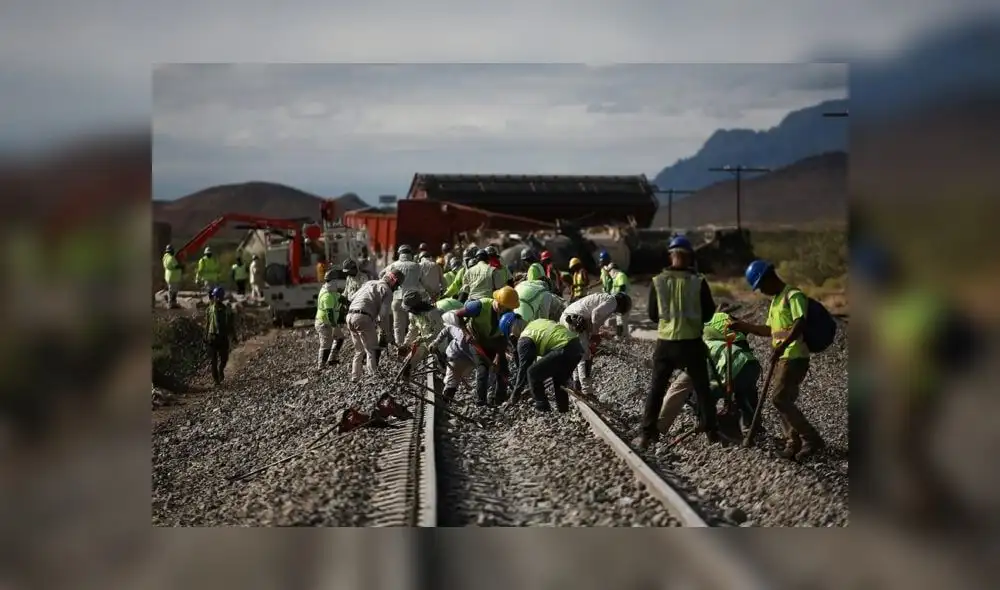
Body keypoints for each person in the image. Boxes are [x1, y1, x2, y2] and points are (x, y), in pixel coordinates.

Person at [634, 236, 730, 450]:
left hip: (666, 343)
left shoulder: (658, 281)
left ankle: (647, 435)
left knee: (657, 389)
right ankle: (711, 432)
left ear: (671, 255)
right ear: (689, 257)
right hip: (691, 343)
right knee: (702, 388)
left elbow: (652, 315)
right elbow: (707, 315)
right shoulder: (698, 282)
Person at [729, 260, 826, 460]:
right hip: (783, 357)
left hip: (795, 356)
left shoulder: (793, 295)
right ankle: (793, 443)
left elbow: (800, 322)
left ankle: (812, 439)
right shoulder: (776, 301)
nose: (762, 291)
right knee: (782, 400)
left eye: (761, 286)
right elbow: (770, 330)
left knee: (779, 399)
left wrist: (782, 345)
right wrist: (743, 326)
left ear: (769, 277)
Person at [656, 310, 762, 440]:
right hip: (744, 359)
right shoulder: (721, 321)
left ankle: (709, 427)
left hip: (716, 359)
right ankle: (752, 426)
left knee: (688, 390)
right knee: (744, 392)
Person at [453, 286, 520, 406]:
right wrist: (466, 333)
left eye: (508, 308)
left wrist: (498, 358)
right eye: (504, 307)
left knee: (503, 369)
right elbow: (458, 315)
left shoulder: (508, 314)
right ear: (499, 302)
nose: (505, 310)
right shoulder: (479, 306)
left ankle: (499, 399)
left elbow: (503, 338)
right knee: (483, 369)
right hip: (477, 341)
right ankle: (481, 403)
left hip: (495, 342)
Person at [505, 314, 585, 413]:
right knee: (559, 380)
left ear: (511, 331)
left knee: (532, 373)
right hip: (576, 347)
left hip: (564, 348)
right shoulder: (537, 322)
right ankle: (563, 411)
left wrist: (514, 395)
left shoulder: (525, 338)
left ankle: (542, 408)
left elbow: (524, 369)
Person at [561, 292, 632, 397]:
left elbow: (590, 318)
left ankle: (577, 384)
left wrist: (594, 335)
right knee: (585, 357)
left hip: (567, 318)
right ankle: (587, 391)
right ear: (622, 305)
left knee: (577, 354)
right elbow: (596, 314)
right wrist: (594, 334)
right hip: (574, 320)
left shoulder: (603, 298)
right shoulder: (612, 302)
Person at [346, 270, 402, 383]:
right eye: (397, 285)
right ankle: (373, 378)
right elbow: (383, 316)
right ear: (393, 282)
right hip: (363, 317)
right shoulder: (387, 291)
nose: (396, 288)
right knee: (371, 350)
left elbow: (351, 298)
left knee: (359, 350)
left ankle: (355, 377)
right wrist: (387, 334)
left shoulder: (369, 283)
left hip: (349, 316)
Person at [380, 244, 426, 347]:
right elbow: (423, 281)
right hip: (412, 300)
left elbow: (381, 274)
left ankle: (399, 346)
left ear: (399, 253)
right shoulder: (416, 266)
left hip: (397, 298)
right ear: (410, 254)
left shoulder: (393, 265)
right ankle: (410, 346)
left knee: (398, 325)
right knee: (413, 325)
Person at [428, 310, 478, 402]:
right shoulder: (460, 332)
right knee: (451, 383)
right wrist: (436, 342)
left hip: (470, 360)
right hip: (455, 357)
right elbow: (447, 329)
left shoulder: (481, 337)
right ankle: (445, 403)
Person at [399, 291, 445, 379]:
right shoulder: (413, 315)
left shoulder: (432, 313)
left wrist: (422, 338)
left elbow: (439, 332)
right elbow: (412, 330)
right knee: (407, 364)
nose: (409, 311)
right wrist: (406, 344)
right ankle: (404, 381)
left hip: (438, 343)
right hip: (424, 343)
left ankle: (445, 375)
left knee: (443, 366)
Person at [204, 287, 237, 386]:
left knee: (224, 358)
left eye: (219, 297)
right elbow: (207, 323)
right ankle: (216, 380)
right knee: (213, 360)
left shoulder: (227, 310)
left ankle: (221, 370)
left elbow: (231, 325)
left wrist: (233, 336)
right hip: (212, 337)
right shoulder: (209, 309)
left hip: (222, 337)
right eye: (216, 297)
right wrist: (205, 335)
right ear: (213, 297)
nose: (218, 299)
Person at [315, 269, 346, 373]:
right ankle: (321, 367)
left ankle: (332, 359)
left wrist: (350, 302)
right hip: (324, 323)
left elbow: (339, 297)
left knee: (340, 338)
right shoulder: (327, 295)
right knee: (325, 344)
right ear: (332, 281)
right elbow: (329, 314)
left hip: (329, 322)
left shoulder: (330, 290)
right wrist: (335, 326)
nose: (338, 283)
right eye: (336, 280)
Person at [605, 262, 631, 338]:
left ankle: (623, 336)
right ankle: (621, 336)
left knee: (622, 321)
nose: (609, 273)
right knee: (619, 320)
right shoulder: (615, 278)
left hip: (624, 302)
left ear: (613, 270)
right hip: (618, 302)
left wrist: (617, 299)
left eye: (610, 271)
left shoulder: (621, 275)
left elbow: (622, 288)